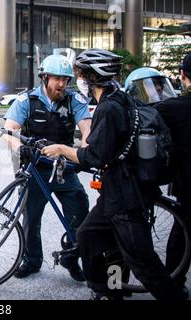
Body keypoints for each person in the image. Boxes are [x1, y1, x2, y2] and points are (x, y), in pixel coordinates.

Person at [41, 49, 185, 300]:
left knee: (143, 263)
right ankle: (106, 290)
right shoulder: (122, 99)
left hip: (125, 196)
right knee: (87, 236)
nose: (80, 80)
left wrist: (63, 149)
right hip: (119, 191)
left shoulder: (109, 108)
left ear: (93, 77)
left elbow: (95, 156)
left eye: (83, 75)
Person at [3, 54, 91, 281]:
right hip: (36, 170)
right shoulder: (26, 101)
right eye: (56, 79)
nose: (62, 84)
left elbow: (88, 132)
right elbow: (9, 130)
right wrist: (19, 147)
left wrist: (82, 153)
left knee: (80, 214)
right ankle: (32, 261)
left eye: (65, 79)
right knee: (31, 219)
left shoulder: (75, 101)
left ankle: (72, 256)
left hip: (64, 169)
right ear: (44, 77)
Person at [154, 52, 191, 298]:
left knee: (182, 232)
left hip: (187, 183)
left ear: (183, 76)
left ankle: (174, 280)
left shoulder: (173, 107)